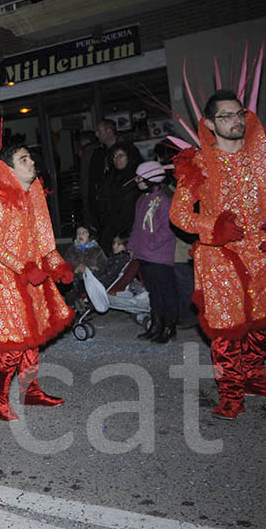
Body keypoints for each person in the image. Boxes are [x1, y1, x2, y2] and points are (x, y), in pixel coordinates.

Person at [169, 90, 266, 419]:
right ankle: (231, 394)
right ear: (210, 123)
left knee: (260, 325)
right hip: (219, 259)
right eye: (226, 116)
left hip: (261, 255)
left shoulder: (260, 156)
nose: (236, 121)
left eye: (239, 113)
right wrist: (214, 227)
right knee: (226, 331)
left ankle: (253, 377)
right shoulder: (197, 163)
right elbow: (179, 216)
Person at [0, 144, 74, 422]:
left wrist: (56, 264)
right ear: (9, 169)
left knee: (32, 338)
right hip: (5, 281)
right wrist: (23, 268)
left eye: (30, 157)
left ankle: (30, 391)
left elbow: (42, 239)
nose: (31, 162)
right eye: (23, 159)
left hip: (30, 277)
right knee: (14, 343)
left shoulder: (33, 195)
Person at [128, 161, 178, 343]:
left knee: (166, 291)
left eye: (140, 177)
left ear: (152, 178)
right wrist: (132, 246)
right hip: (145, 255)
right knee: (154, 292)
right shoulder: (141, 200)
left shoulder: (164, 200)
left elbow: (168, 228)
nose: (137, 180)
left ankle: (169, 326)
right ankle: (156, 325)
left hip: (160, 256)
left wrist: (151, 245)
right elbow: (136, 227)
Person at [95, 141, 142, 255]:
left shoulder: (138, 178)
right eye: (114, 157)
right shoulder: (110, 178)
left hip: (132, 229)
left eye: (121, 155)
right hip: (111, 228)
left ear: (129, 157)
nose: (117, 159)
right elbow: (103, 204)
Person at [62, 225, 107, 304]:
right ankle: (74, 304)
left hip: (91, 279)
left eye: (83, 233)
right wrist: (75, 269)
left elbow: (104, 263)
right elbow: (65, 265)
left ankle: (87, 303)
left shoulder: (96, 249)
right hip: (76, 278)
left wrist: (96, 268)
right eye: (78, 233)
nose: (80, 235)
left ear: (89, 235)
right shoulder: (72, 249)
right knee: (69, 279)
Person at [85, 119, 118, 231]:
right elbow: (92, 180)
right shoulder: (98, 153)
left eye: (99, 131)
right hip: (102, 205)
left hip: (118, 203)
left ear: (109, 131)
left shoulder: (125, 149)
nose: (97, 134)